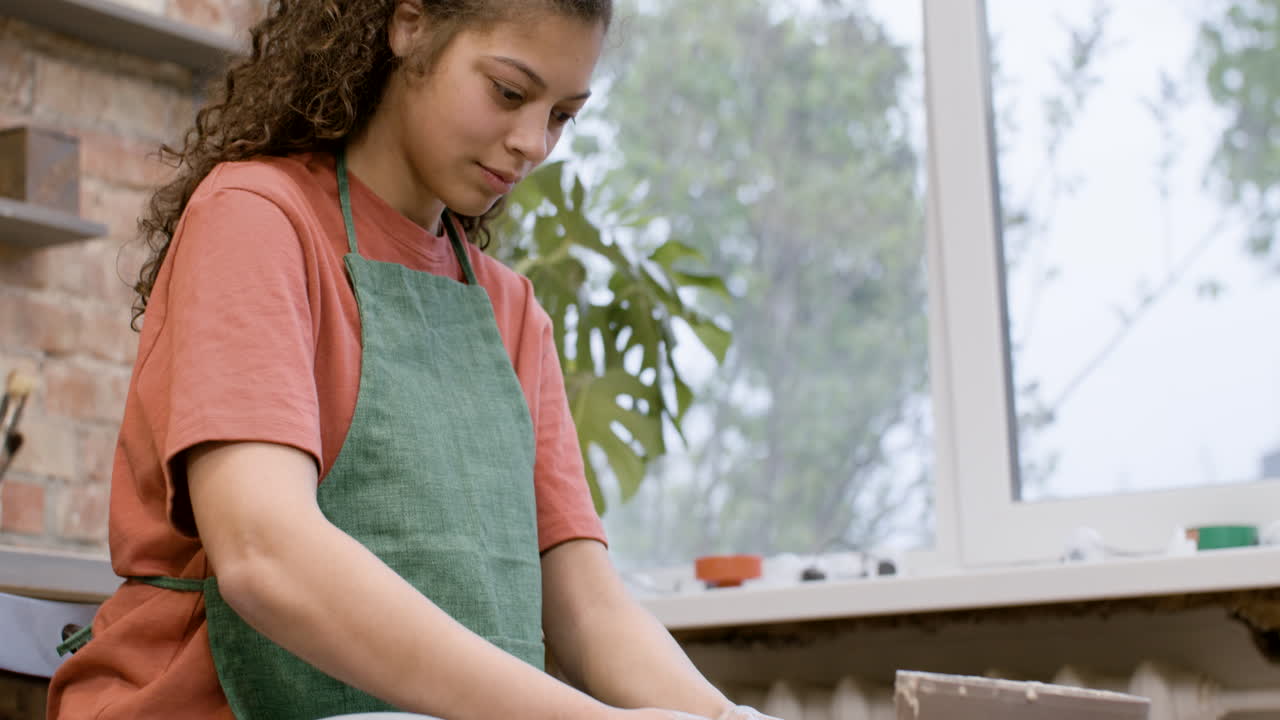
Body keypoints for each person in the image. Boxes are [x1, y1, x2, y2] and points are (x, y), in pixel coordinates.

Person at [45, 2, 777, 719]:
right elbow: (266, 556)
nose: (534, 143)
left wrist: (723, 719)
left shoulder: (510, 313)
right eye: (510, 93)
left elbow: (586, 607)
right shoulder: (256, 221)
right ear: (409, 24)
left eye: (561, 114)